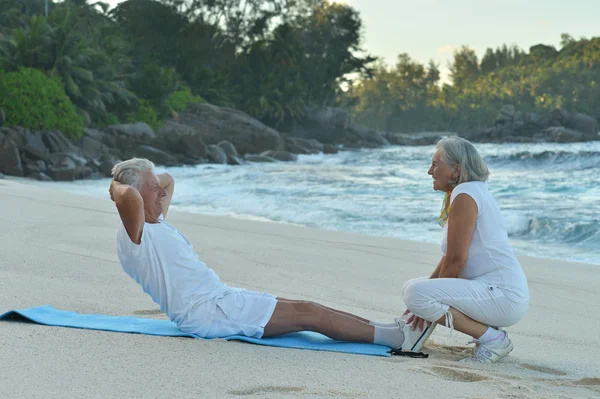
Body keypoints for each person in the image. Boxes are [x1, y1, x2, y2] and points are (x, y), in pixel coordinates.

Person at [109, 158, 421, 352]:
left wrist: (145, 177)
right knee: (309, 315)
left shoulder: (155, 220)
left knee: (308, 307)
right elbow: (130, 196)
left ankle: (392, 330)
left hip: (220, 300)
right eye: (153, 189)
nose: (162, 193)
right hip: (209, 314)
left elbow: (167, 180)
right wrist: (116, 184)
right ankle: (395, 339)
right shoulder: (136, 238)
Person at [400, 136, 530, 363]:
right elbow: (449, 257)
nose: (430, 171)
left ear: (456, 170)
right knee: (413, 289)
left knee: (415, 293)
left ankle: (493, 339)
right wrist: (425, 297)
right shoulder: (470, 191)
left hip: (503, 295)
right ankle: (489, 335)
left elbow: (457, 260)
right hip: (496, 292)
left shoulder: (465, 194)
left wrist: (425, 305)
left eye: (435, 164)